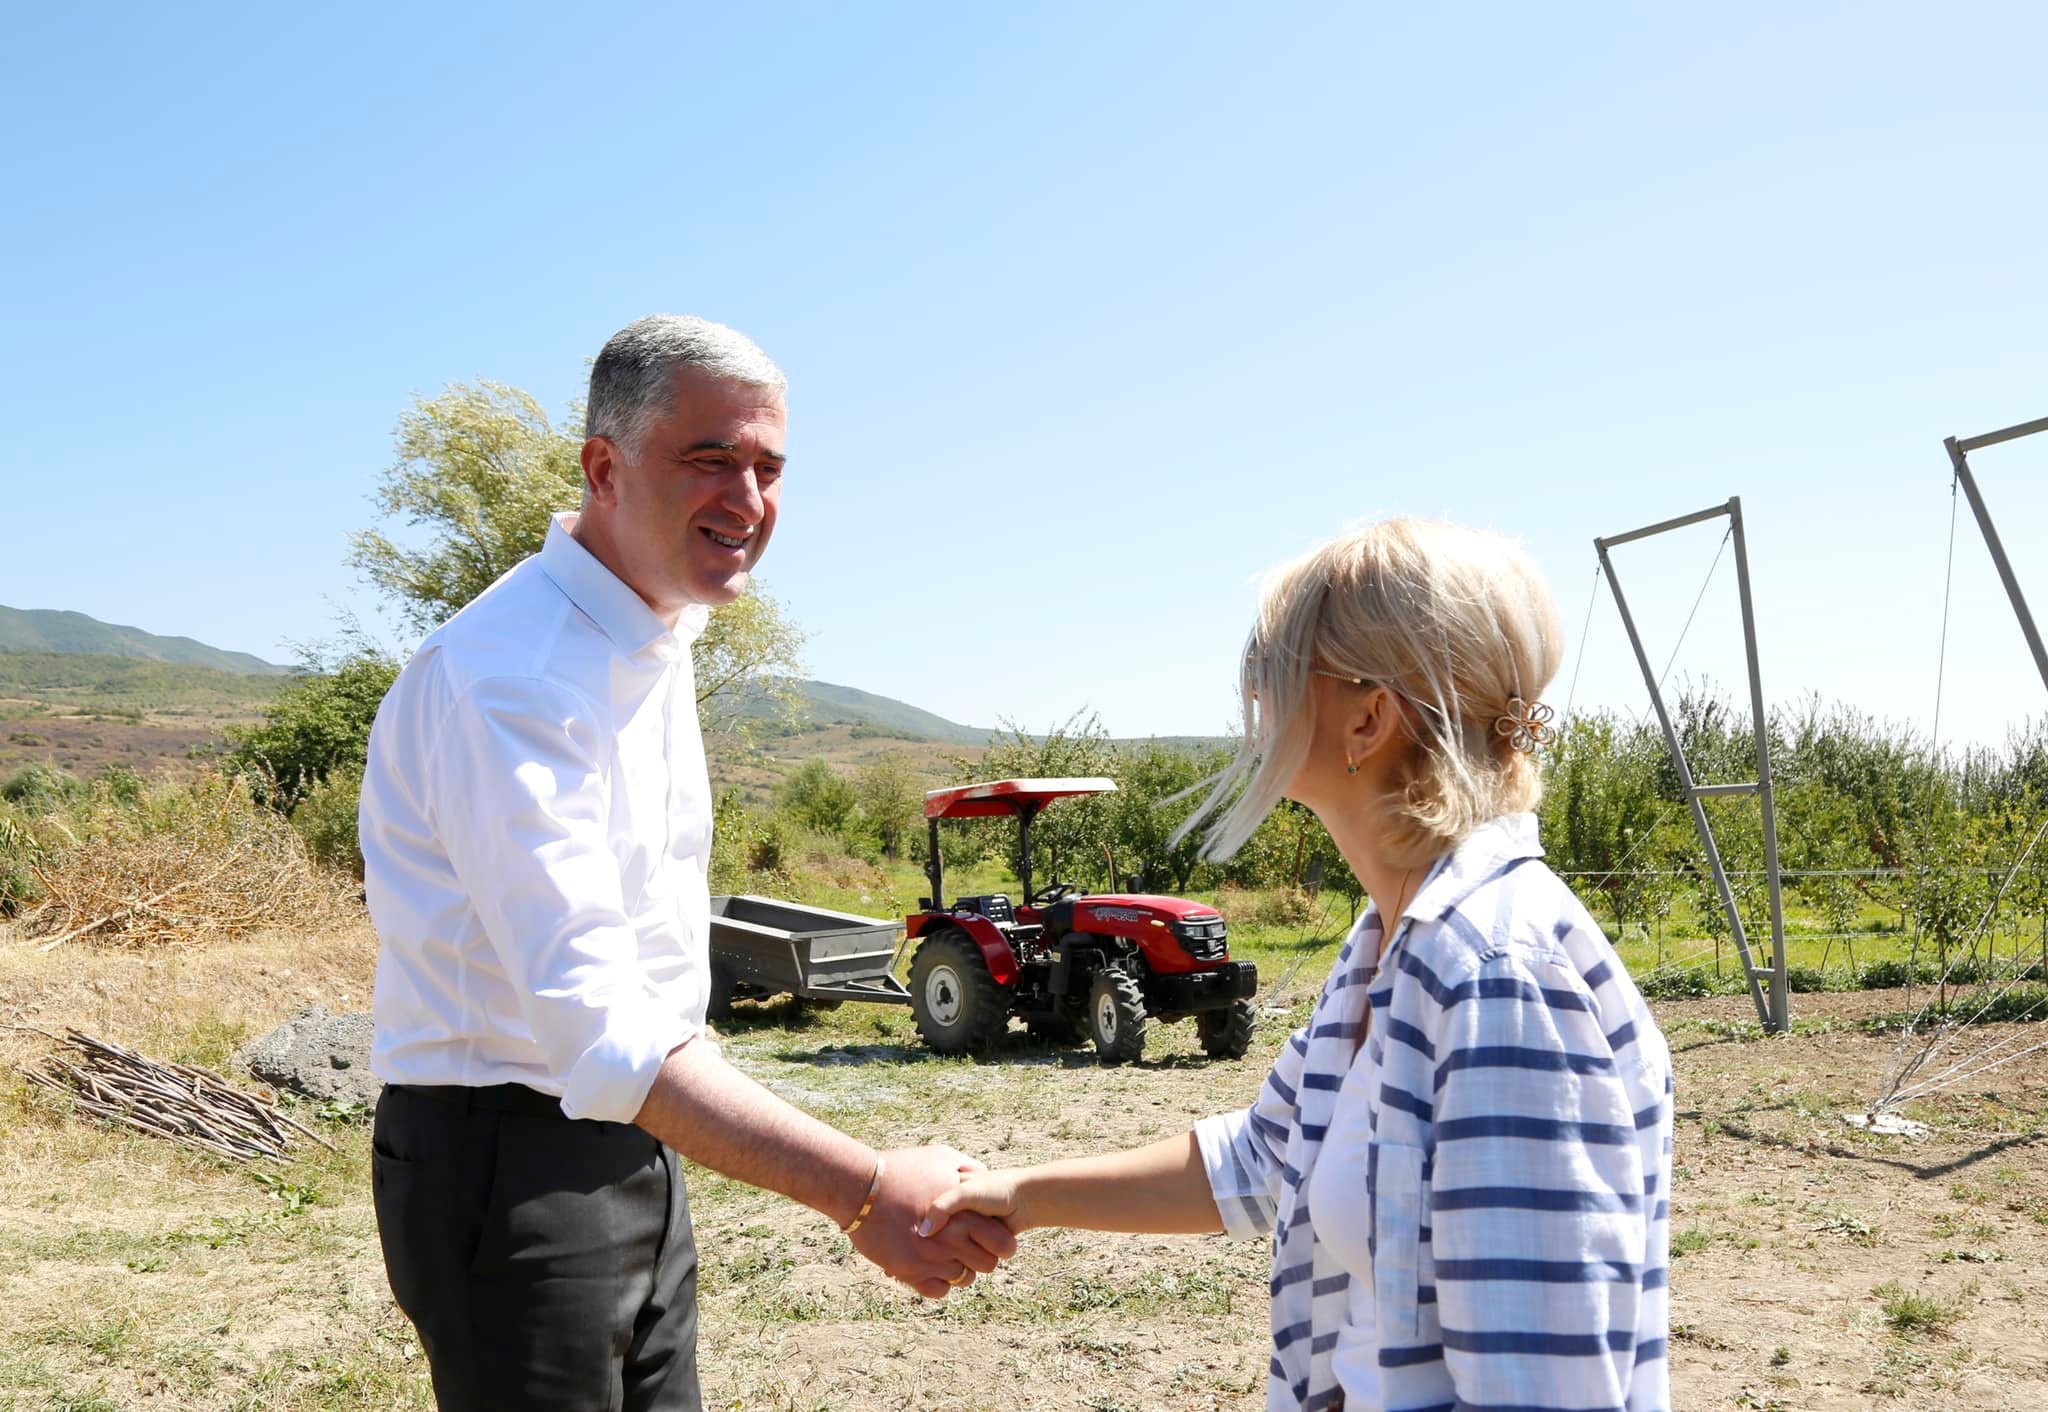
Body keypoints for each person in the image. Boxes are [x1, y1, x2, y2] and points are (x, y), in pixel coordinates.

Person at [360, 314, 1013, 1412]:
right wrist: (864, 1190)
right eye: (710, 458)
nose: (747, 500)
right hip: (510, 1158)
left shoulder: (645, 637)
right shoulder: (514, 676)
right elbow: (600, 1032)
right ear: (603, 468)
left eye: (769, 468)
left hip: (636, 1138)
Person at [924, 519, 1675, 1411]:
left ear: (1367, 717)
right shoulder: (1391, 942)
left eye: (1274, 666)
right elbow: (1266, 1156)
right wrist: (1022, 1194)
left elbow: (1541, 1391)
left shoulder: (1496, 975)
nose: (1253, 692)